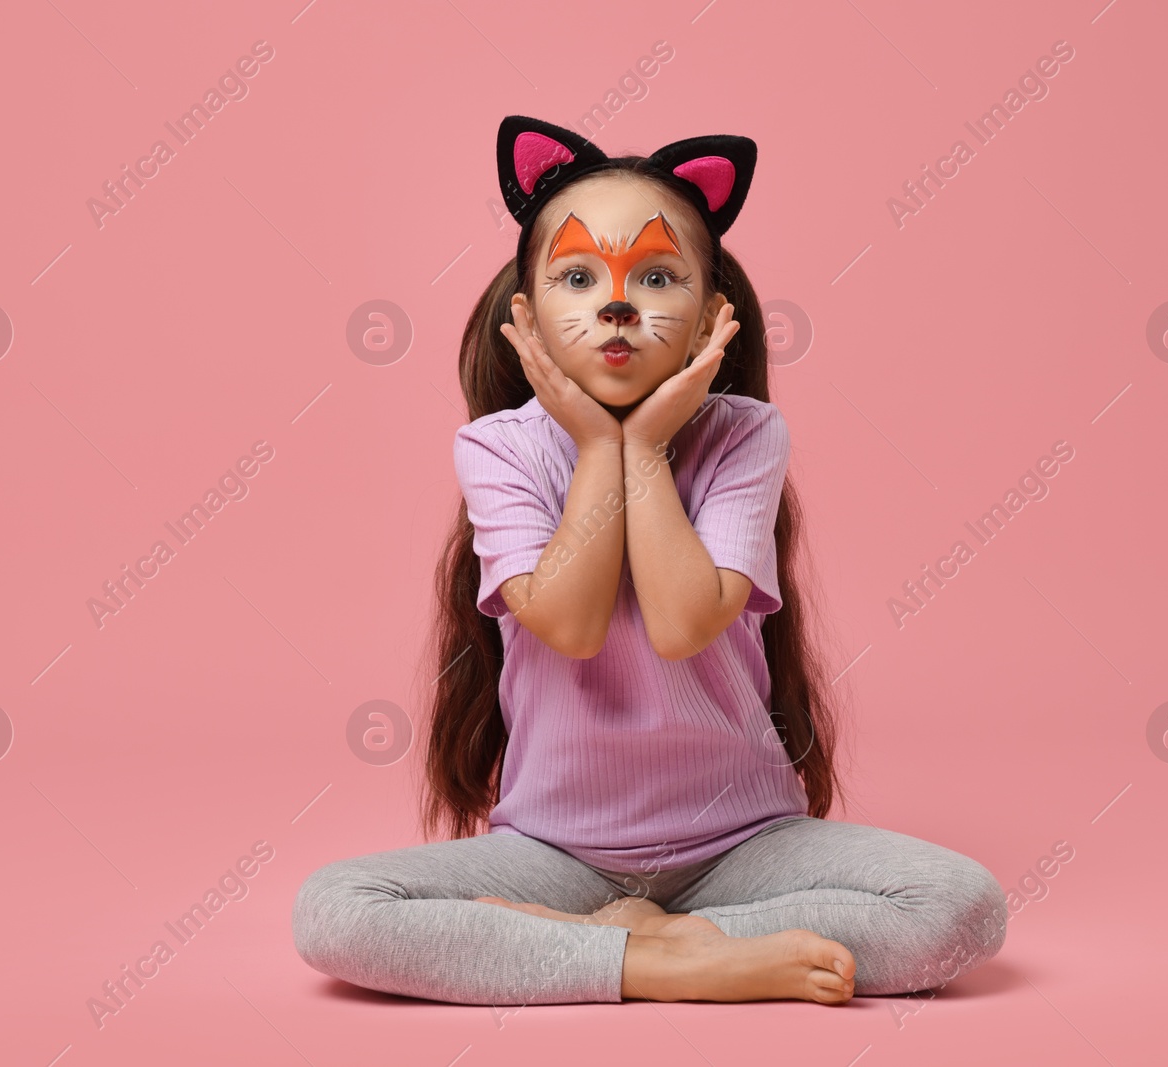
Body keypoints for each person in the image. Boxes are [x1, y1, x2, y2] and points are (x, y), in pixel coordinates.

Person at [293, 114, 1007, 1007]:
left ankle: (642, 943)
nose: (616, 306)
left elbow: (680, 624)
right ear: (527, 317)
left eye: (658, 277)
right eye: (578, 278)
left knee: (959, 907)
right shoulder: (501, 449)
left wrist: (642, 449)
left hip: (741, 846)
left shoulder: (745, 434)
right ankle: (663, 963)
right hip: (555, 852)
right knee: (338, 910)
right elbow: (571, 623)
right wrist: (600, 445)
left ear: (712, 317)